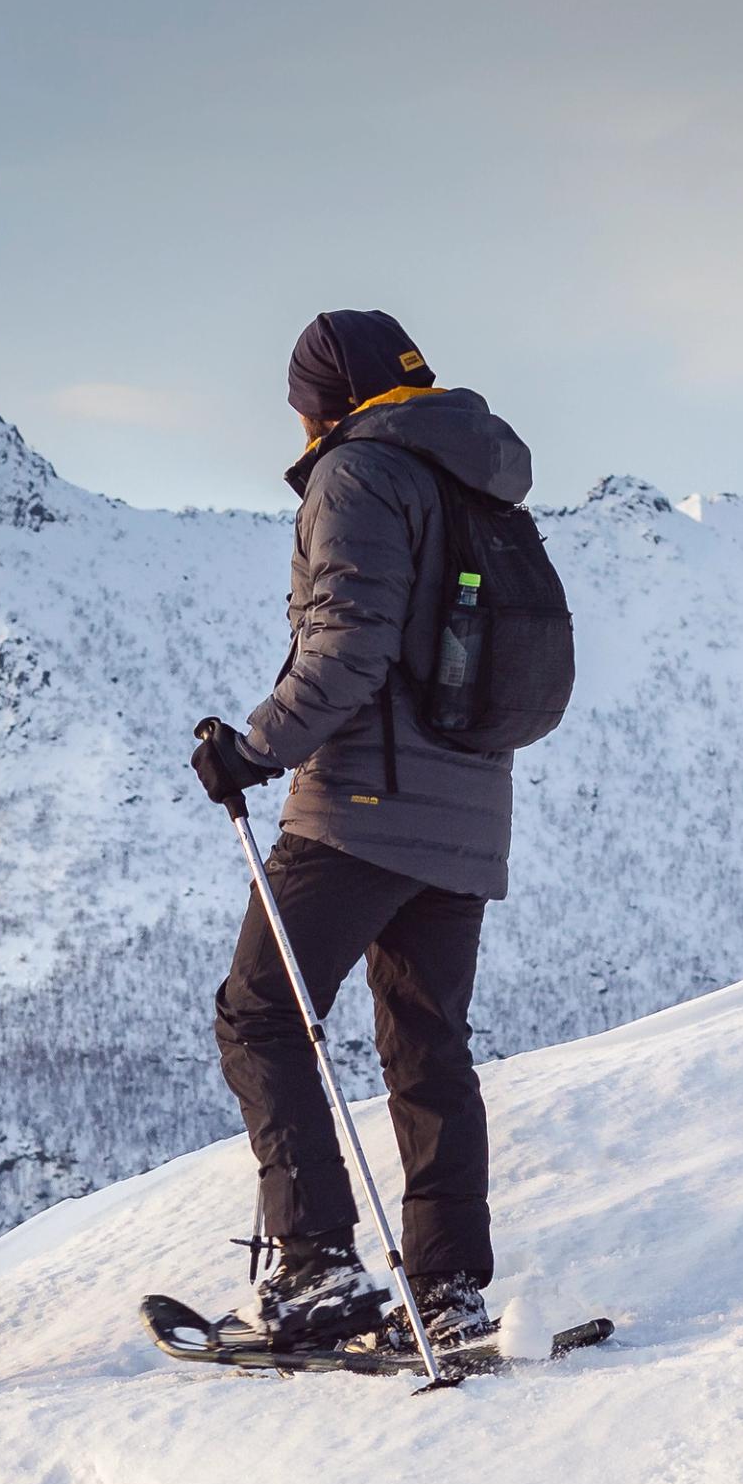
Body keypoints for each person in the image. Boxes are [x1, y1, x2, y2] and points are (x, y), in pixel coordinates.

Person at [190, 309, 533, 1351]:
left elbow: (347, 643)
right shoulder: (471, 471)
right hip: (469, 815)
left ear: (325, 400)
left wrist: (256, 745)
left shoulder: (357, 473)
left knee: (258, 1011)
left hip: (361, 805)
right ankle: (447, 1289)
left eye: (300, 406)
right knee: (427, 1047)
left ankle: (317, 1266)